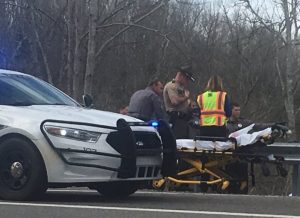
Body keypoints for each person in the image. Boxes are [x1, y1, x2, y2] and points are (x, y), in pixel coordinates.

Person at [163, 64, 195, 139]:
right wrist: (186, 97)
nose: (187, 81)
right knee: (178, 141)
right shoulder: (172, 86)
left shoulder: (181, 87)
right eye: (186, 79)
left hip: (183, 120)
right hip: (175, 118)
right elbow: (174, 101)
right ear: (181, 76)